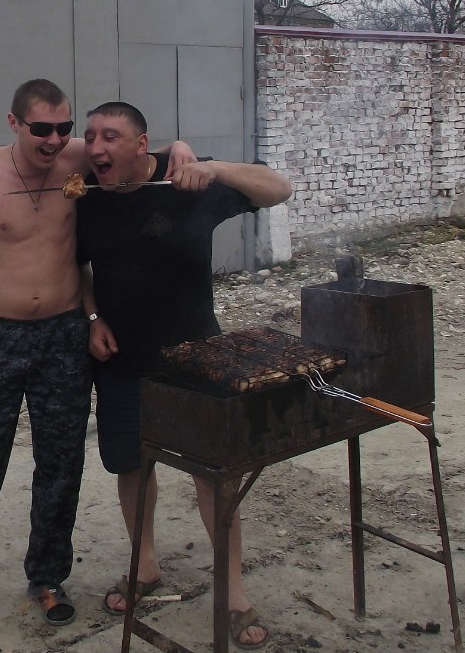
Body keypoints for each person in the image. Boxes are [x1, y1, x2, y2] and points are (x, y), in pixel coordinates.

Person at [0, 80, 194, 653]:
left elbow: (141, 153)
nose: (55, 140)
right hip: (1, 337)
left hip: (64, 337)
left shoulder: (79, 158)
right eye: (42, 129)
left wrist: (180, 147)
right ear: (14, 123)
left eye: (64, 128)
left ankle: (48, 577)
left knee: (60, 464)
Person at [76, 101, 292, 651]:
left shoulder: (187, 184)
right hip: (122, 361)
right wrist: (93, 317)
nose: (96, 147)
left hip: (196, 358)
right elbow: (73, 264)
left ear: (141, 144)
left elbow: (279, 188)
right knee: (130, 466)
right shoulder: (86, 196)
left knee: (214, 476)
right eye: (90, 136)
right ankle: (145, 566)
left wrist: (211, 167)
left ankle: (234, 593)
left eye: (110, 137)